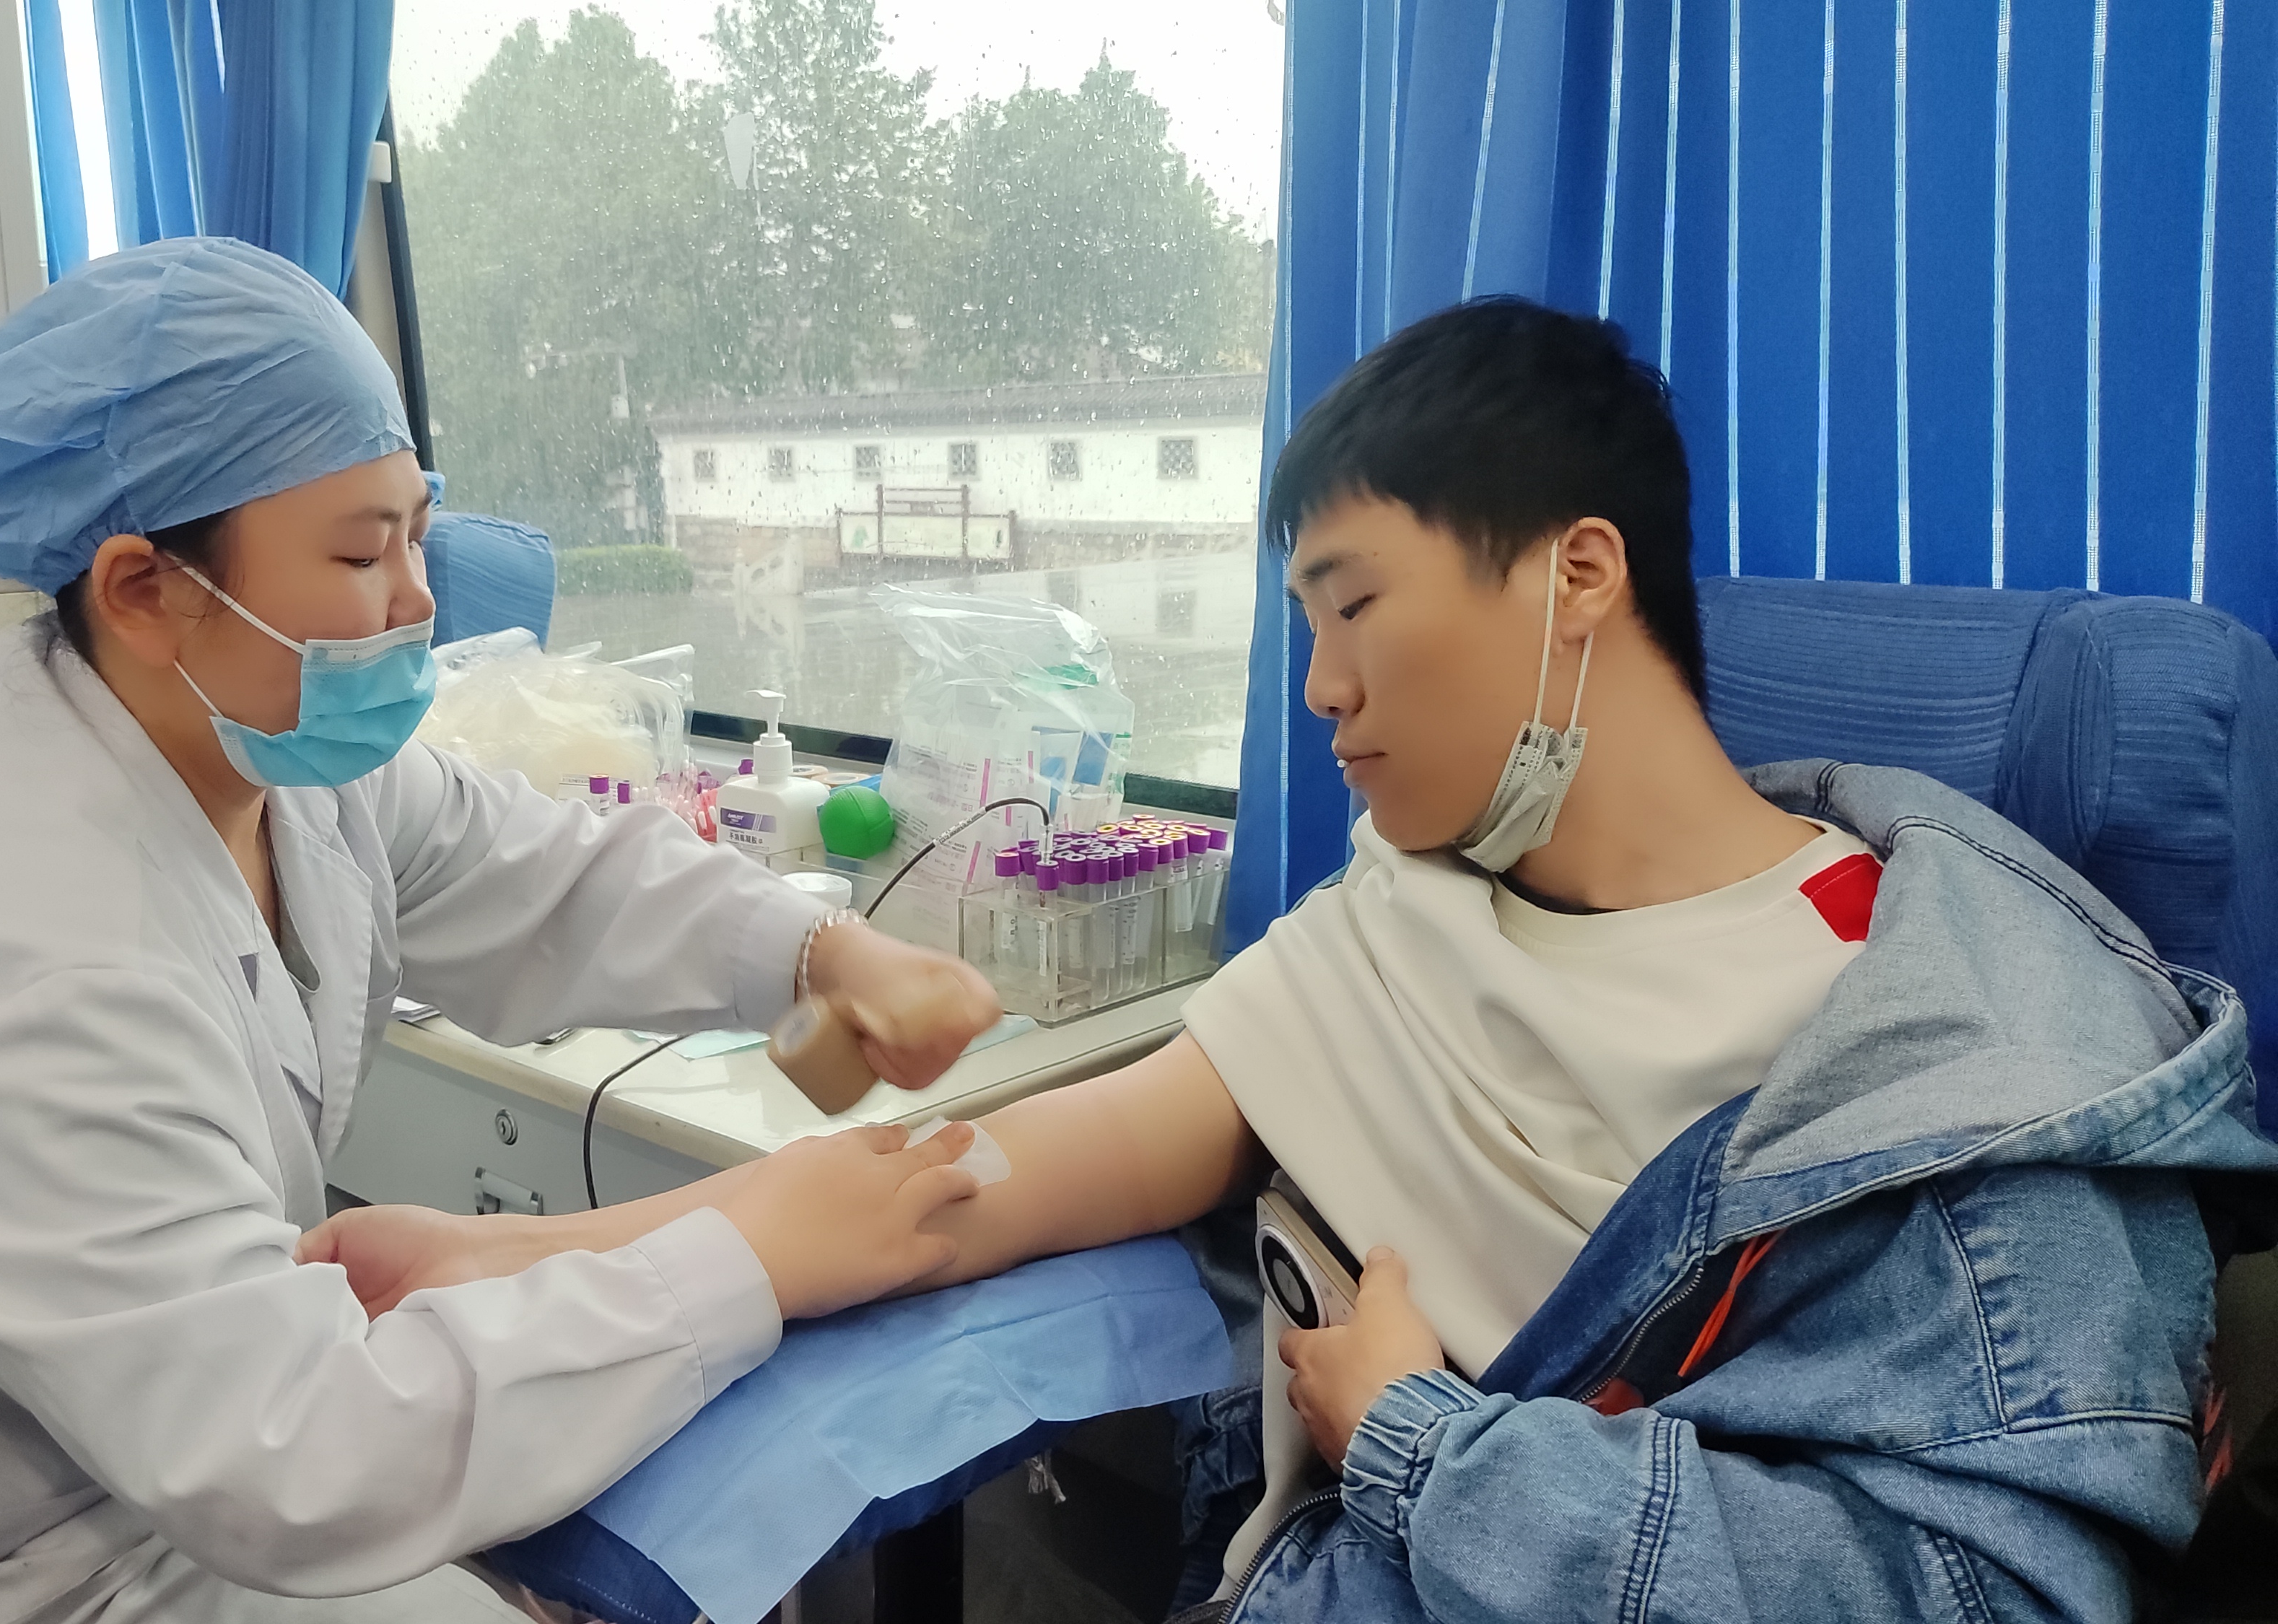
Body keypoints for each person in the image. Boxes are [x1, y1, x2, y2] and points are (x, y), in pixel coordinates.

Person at [305, 298, 2278, 1621]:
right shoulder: (1404, 918)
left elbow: (1975, 1590)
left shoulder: (1959, 1056)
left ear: (1577, 575)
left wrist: (1428, 1443)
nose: (1319, 692)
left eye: (1353, 607)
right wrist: (504, 1258)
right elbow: (967, 1187)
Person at [0, 236, 1001, 1624]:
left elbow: (536, 866)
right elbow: (300, 1454)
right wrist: (750, 1259)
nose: (418, 599)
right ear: (144, 590)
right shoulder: (22, 967)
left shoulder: (251, 745)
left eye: (416, 534)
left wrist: (817, 953)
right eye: (363, 553)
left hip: (92, 1464)